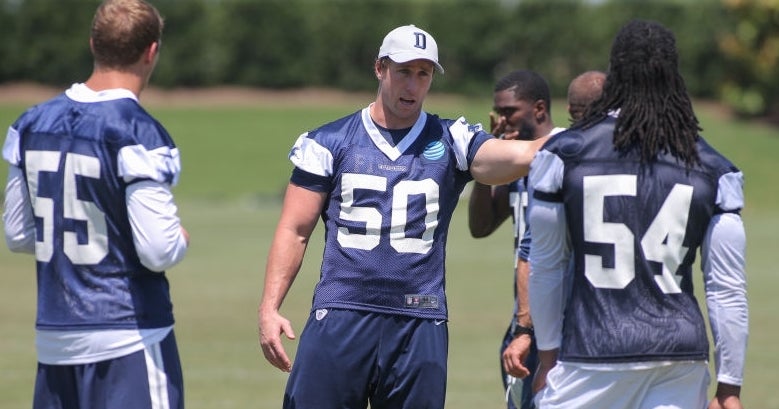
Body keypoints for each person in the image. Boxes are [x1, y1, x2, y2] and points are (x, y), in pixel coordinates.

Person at [258, 24, 547, 409]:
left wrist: (584, 136)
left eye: (423, 74)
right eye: (404, 72)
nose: (412, 86)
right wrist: (269, 308)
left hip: (420, 318)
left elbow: (519, 157)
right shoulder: (329, 141)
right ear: (380, 69)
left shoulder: (451, 139)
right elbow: (295, 230)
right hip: (343, 311)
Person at [527, 19, 747, 409]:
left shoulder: (565, 154)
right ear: (674, 75)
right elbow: (726, 288)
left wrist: (547, 358)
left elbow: (547, 265)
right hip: (678, 359)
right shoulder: (714, 168)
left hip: (591, 353)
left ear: (615, 74)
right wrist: (729, 387)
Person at [2, 1, 190, 408]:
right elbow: (158, 249)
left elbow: (17, 234)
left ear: (93, 44)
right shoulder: (139, 131)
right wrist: (179, 239)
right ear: (152, 51)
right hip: (128, 334)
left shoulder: (31, 122)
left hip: (54, 339)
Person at [467, 69, 565, 409]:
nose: (501, 119)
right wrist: (485, 170)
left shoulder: (566, 153)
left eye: (510, 111)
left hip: (562, 314)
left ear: (538, 109)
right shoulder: (515, 160)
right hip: (522, 315)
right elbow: (481, 227)